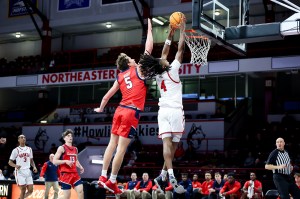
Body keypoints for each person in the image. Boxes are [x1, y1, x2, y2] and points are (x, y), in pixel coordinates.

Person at [95, 18, 153, 195]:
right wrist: (150, 28)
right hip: (131, 112)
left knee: (111, 144)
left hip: (118, 110)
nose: (134, 58)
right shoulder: (138, 70)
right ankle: (112, 181)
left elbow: (107, 96)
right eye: (131, 58)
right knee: (121, 148)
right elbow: (148, 49)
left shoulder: (120, 77)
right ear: (129, 63)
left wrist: (101, 108)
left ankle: (102, 176)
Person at [139, 15, 187, 193]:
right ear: (164, 65)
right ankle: (171, 176)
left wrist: (170, 34)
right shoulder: (173, 69)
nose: (163, 58)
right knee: (173, 145)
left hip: (163, 111)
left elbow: (165, 52)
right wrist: (181, 31)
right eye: (162, 59)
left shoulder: (159, 74)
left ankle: (163, 174)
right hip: (175, 111)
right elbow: (180, 50)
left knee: (168, 145)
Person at [53, 129, 85, 199]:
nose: (70, 137)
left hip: (74, 174)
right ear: (64, 138)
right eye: (68, 136)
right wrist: (65, 161)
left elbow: (75, 160)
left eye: (71, 136)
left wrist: (80, 166)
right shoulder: (61, 148)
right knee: (66, 197)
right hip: (65, 175)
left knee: (81, 191)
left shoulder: (75, 149)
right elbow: (54, 161)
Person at [8, 134, 37, 199]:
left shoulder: (29, 149)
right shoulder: (16, 150)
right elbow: (10, 162)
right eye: (21, 137)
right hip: (19, 172)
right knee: (23, 189)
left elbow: (31, 160)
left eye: (24, 137)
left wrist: (34, 167)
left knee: (30, 190)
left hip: (28, 171)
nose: (23, 138)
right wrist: (15, 165)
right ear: (18, 140)